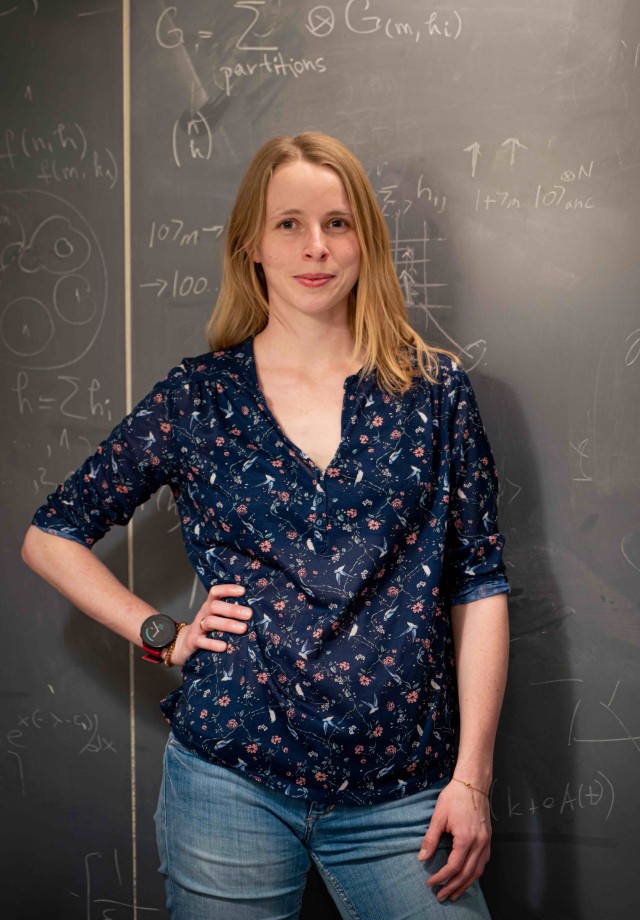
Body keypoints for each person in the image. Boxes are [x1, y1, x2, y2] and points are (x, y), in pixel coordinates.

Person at [22, 131, 509, 920]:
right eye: (289, 223)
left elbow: (478, 584)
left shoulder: (434, 392)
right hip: (229, 784)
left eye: (338, 223)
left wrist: (473, 780)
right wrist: (164, 634)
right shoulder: (198, 399)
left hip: (407, 796)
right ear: (251, 242)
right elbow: (51, 534)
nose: (315, 247)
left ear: (367, 241)